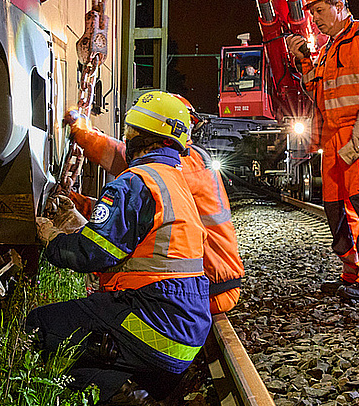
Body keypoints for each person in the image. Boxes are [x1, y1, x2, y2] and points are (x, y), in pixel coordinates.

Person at [26, 90, 211, 405]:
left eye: (129, 131)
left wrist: (53, 239)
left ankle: (126, 397)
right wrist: (77, 221)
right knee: (87, 341)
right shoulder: (172, 182)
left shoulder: (135, 181)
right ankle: (132, 396)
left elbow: (91, 253)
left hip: (154, 323)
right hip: (185, 331)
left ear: (140, 136)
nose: (125, 138)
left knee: (42, 327)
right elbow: (131, 243)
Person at [62, 94, 244, 315]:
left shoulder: (178, 163)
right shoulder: (194, 162)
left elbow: (118, 156)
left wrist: (82, 132)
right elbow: (138, 213)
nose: (132, 138)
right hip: (210, 287)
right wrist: (84, 205)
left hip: (203, 291)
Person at [285, 0, 359, 302]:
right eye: (313, 12)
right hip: (334, 140)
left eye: (319, 10)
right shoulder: (327, 50)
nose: (315, 18)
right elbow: (314, 89)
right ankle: (354, 273)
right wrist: (304, 57)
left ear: (339, 4)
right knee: (337, 211)